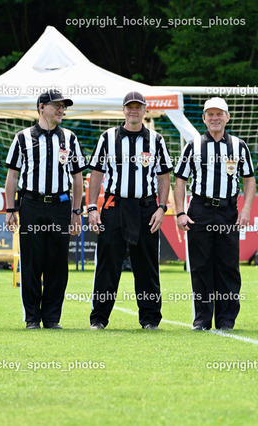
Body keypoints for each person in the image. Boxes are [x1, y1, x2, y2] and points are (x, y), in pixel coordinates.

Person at [87, 91, 172, 330]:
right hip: (114, 207)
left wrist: (162, 207)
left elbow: (164, 176)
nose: (133, 110)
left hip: (146, 208)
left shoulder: (156, 139)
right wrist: (92, 207)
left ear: (145, 110)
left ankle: (150, 319)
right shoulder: (108, 137)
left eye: (138, 107)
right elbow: (96, 173)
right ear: (123, 109)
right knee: (107, 265)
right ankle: (99, 318)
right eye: (129, 107)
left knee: (147, 266)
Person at [5, 90, 85, 330]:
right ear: (41, 107)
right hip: (31, 203)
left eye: (63, 107)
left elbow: (78, 177)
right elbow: (12, 175)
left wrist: (76, 212)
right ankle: (32, 317)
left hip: (60, 205)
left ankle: (51, 318)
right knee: (31, 262)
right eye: (56, 106)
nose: (61, 110)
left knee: (57, 263)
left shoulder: (69, 138)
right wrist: (11, 208)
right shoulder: (22, 137)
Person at [174, 97, 255, 331]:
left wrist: (246, 209)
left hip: (228, 211)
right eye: (210, 114)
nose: (215, 118)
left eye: (219, 113)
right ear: (203, 118)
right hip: (200, 209)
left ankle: (226, 320)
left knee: (228, 267)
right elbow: (180, 180)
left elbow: (250, 180)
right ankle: (201, 319)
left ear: (227, 117)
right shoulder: (193, 146)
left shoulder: (239, 146)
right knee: (200, 267)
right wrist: (180, 212)